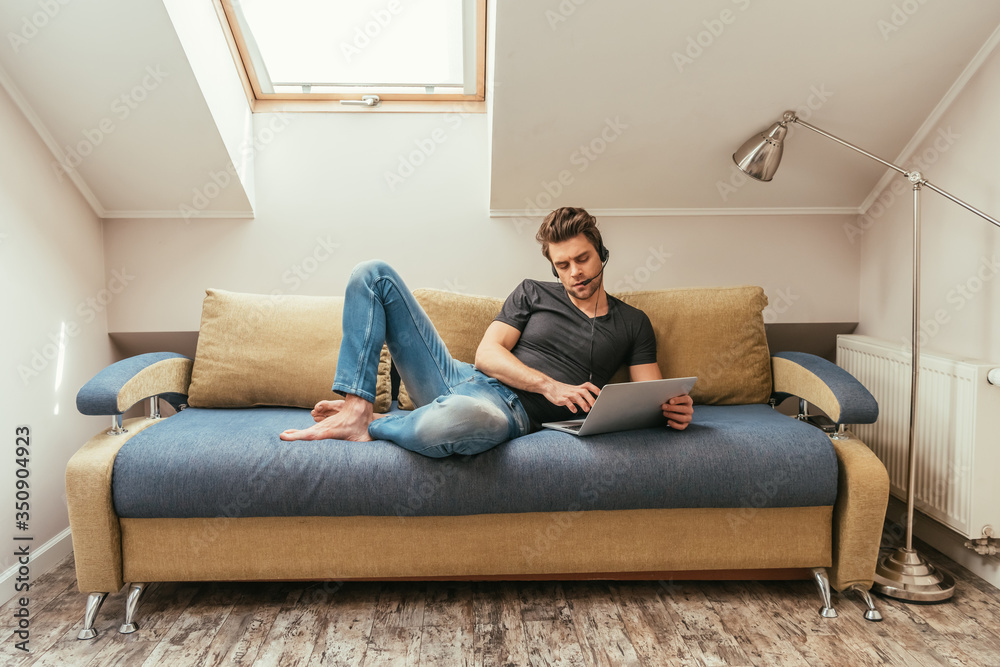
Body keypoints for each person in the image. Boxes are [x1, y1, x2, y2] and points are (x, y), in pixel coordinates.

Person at [279, 207, 694, 457]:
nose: (575, 273)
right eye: (563, 265)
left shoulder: (633, 322)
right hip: (461, 378)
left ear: (601, 254)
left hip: (504, 413)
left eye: (582, 259)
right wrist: (552, 387)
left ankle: (375, 423)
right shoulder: (532, 292)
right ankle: (356, 407)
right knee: (372, 274)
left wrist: (673, 410)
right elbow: (488, 355)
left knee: (455, 424)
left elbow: (646, 396)